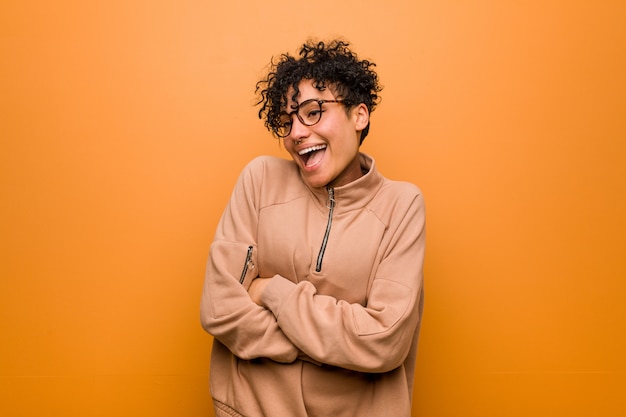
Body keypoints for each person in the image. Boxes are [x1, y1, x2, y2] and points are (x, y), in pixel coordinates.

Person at [200, 39, 425, 417]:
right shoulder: (260, 179)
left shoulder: (402, 205)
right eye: (287, 122)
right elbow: (219, 309)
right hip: (251, 408)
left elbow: (384, 341)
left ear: (359, 116)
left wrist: (272, 291)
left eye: (312, 112)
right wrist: (334, 347)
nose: (296, 133)